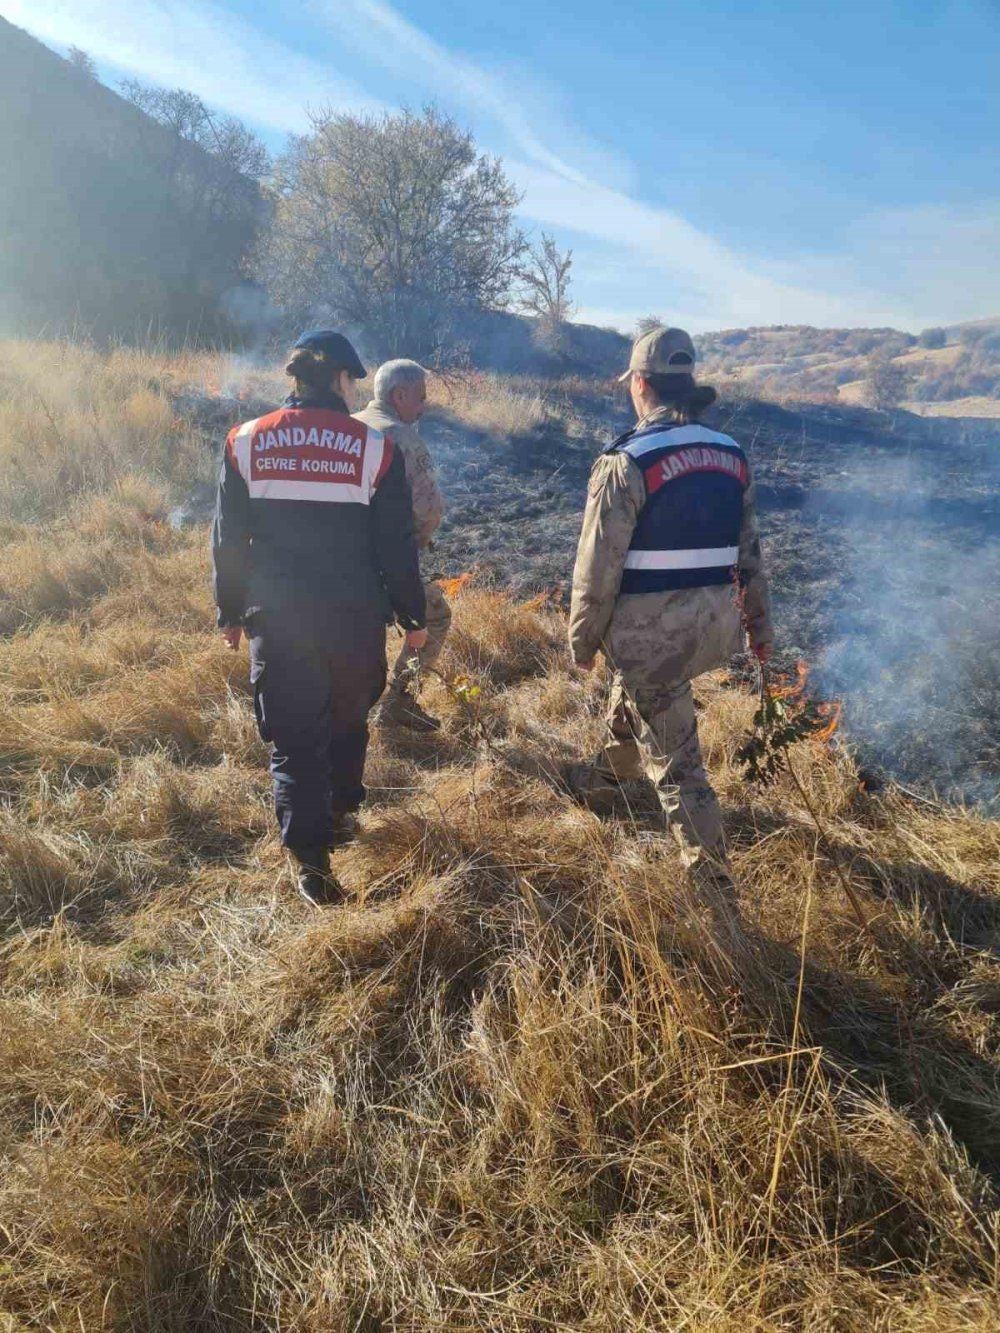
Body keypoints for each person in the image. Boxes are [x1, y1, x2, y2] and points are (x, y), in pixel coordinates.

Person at [211, 330, 427, 906]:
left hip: (276, 618)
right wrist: (413, 614)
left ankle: (311, 863)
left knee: (293, 735)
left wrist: (228, 610)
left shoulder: (244, 440)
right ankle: (338, 815)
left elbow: (229, 540)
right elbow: (396, 546)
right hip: (353, 619)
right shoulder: (376, 449)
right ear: (341, 379)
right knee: (347, 719)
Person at [567, 326, 773, 875]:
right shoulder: (732, 454)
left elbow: (597, 569)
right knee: (637, 690)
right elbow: (750, 553)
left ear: (640, 384)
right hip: (712, 630)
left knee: (680, 768)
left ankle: (716, 894)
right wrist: (759, 628)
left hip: (652, 637)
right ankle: (605, 786)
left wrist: (582, 641)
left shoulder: (625, 460)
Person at [355, 360, 450, 731]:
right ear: (400, 395)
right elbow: (429, 509)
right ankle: (399, 702)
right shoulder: (400, 436)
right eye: (421, 397)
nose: (424, 406)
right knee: (436, 614)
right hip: (385, 563)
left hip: (334, 562)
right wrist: (415, 547)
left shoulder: (347, 425)